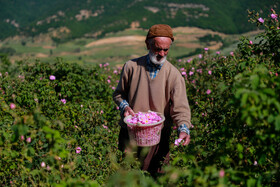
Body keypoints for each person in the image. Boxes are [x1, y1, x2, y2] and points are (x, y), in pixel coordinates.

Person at [113, 24, 191, 175]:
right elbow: (118, 94)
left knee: (156, 178)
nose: (161, 53)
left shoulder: (174, 75)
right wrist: (125, 107)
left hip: (158, 138)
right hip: (130, 135)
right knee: (127, 177)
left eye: (166, 50)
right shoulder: (131, 67)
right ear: (147, 44)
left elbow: (180, 108)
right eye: (157, 48)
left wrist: (183, 128)